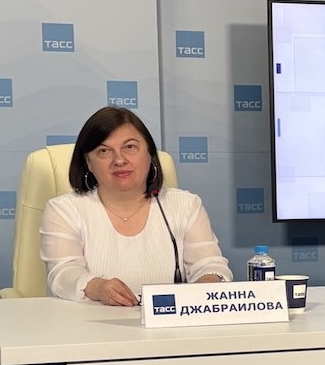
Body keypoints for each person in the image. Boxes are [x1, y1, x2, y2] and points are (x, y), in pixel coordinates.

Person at [40, 106, 232, 306]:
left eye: (130, 147)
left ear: (149, 154)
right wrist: (98, 288)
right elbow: (63, 273)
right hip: (89, 323)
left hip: (168, 323)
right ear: (88, 162)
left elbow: (210, 265)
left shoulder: (186, 205)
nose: (119, 160)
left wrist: (205, 286)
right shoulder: (64, 210)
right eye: (104, 151)